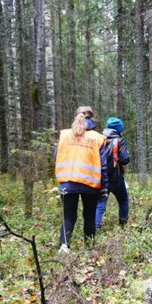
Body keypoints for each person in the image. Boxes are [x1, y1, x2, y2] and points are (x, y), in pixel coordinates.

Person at [54, 106, 108, 253]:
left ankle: (64, 246)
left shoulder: (65, 135)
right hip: (90, 184)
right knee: (89, 216)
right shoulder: (97, 138)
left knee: (68, 216)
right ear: (93, 119)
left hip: (67, 182)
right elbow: (103, 166)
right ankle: (90, 248)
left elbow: (55, 157)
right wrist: (104, 187)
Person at [95, 117, 130, 229]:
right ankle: (123, 225)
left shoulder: (99, 139)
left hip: (101, 178)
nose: (123, 132)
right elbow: (125, 159)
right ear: (118, 130)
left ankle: (95, 229)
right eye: (122, 130)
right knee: (123, 200)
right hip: (115, 178)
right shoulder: (119, 140)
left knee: (100, 204)